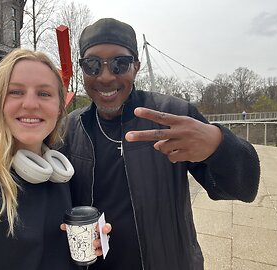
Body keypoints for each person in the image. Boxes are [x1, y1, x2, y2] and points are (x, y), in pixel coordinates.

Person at [58, 18, 260, 270]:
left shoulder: (174, 116)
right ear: (82, 70)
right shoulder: (69, 128)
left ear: (136, 67)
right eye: (93, 65)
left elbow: (242, 189)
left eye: (120, 64)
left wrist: (219, 145)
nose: (106, 76)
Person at [0, 48, 111, 270]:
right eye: (15, 92)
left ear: (59, 109)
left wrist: (92, 244)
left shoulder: (61, 173)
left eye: (44, 94)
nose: (31, 104)